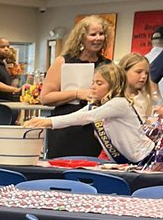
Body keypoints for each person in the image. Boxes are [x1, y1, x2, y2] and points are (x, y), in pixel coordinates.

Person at [27, 61, 162, 166]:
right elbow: (75, 115)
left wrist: (49, 122)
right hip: (130, 161)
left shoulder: (119, 103)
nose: (93, 86)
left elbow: (84, 118)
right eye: (93, 82)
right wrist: (43, 120)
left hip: (146, 158)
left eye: (99, 83)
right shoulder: (97, 106)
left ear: (113, 85)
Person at [39, 15, 112, 158]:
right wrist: (77, 94)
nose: (98, 38)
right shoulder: (63, 61)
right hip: (66, 129)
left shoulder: (108, 65)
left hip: (94, 130)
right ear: (81, 37)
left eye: (101, 34)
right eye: (93, 34)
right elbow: (45, 97)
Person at [119, 52, 160, 121]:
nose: (144, 76)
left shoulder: (147, 98)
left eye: (146, 73)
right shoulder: (116, 98)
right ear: (124, 71)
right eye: (138, 72)